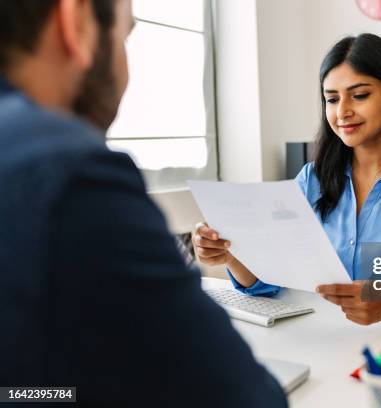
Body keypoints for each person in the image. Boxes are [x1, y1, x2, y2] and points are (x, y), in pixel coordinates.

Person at [0, 0, 286, 406]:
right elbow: (245, 392)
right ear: (76, 21)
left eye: (358, 95)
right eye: (125, 36)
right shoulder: (67, 168)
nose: (342, 110)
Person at [193, 33, 381, 325]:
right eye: (331, 99)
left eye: (360, 95)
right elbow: (270, 282)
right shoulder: (311, 178)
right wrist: (232, 255)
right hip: (319, 340)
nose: (343, 112)